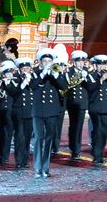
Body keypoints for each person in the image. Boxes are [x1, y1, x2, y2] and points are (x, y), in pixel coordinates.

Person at [26, 49, 67, 178]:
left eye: (50, 61)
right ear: (41, 62)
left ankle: (45, 168)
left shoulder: (57, 73)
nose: (47, 63)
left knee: (49, 139)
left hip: (52, 111)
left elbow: (64, 87)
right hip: (38, 111)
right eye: (45, 61)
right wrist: (42, 74)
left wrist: (55, 75)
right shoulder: (36, 73)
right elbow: (32, 86)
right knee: (38, 138)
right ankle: (37, 168)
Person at [64, 49, 92, 159]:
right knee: (73, 125)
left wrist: (86, 78)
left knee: (79, 126)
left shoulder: (87, 71)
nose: (81, 64)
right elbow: (68, 84)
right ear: (74, 62)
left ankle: (77, 149)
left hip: (82, 103)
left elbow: (90, 87)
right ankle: (73, 146)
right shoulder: (69, 71)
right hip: (72, 102)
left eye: (82, 62)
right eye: (78, 62)